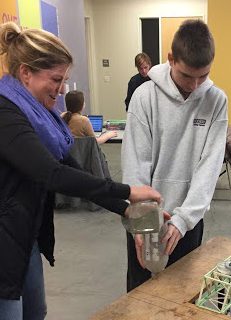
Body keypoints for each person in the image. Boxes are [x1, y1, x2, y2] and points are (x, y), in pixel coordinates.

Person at [0, 22, 161, 319]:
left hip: (24, 235)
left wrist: (125, 208)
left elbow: (69, 165)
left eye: (65, 80)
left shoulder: (40, 115)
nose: (62, 89)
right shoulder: (6, 113)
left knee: (36, 311)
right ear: (25, 73)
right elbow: (51, 173)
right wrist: (128, 190)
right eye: (56, 79)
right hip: (4, 241)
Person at [121, 19, 228, 291]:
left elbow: (209, 167)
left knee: (185, 296)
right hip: (146, 221)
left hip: (188, 222)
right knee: (141, 296)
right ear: (170, 59)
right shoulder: (144, 97)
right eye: (186, 76)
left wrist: (183, 221)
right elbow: (136, 165)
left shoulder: (216, 101)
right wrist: (143, 223)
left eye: (202, 76)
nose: (194, 86)